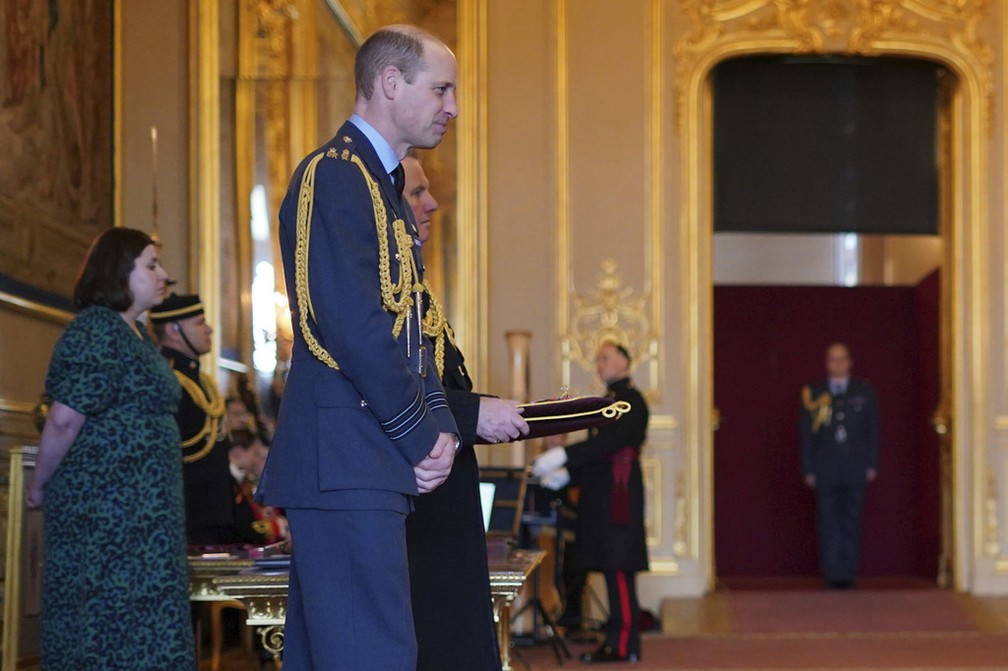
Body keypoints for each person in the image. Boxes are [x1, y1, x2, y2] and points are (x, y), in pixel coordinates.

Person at [256, 25, 462, 670]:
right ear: (391, 83)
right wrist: (420, 435)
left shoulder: (381, 187)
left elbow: (412, 326)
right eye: (442, 89)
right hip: (346, 457)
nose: (452, 107)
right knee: (371, 654)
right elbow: (351, 325)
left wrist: (441, 429)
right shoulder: (337, 176)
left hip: (364, 458)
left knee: (350, 652)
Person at [24, 227, 195, 670]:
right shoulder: (97, 328)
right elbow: (64, 418)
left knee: (145, 627)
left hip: (144, 519)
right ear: (119, 272)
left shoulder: (136, 335)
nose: (164, 274)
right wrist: (38, 485)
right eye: (152, 265)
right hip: (104, 518)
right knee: (103, 625)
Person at [401, 153, 528, 671]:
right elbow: (388, 386)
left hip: (446, 502)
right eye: (416, 193)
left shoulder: (414, 285)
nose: (432, 203)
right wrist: (477, 414)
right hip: (416, 505)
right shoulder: (383, 288)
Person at [532, 341, 650, 664]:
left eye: (606, 358)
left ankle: (625, 644)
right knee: (612, 566)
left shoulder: (632, 401)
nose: (599, 364)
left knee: (620, 567)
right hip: (606, 495)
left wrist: (565, 455)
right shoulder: (610, 401)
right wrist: (566, 476)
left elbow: (609, 444)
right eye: (598, 359)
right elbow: (597, 456)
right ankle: (616, 641)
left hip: (619, 496)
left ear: (624, 363)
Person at [150, 293, 236, 547]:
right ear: (173, 330)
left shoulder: (204, 386)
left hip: (215, 518)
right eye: (199, 323)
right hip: (186, 520)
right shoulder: (168, 383)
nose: (208, 329)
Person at [799, 342, 880, 590]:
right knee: (829, 521)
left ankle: (848, 573)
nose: (838, 363)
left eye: (842, 359)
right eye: (833, 359)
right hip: (826, 467)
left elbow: (872, 430)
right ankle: (832, 574)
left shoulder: (864, 392)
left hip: (855, 466)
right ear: (826, 364)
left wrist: (872, 463)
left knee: (851, 520)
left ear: (849, 362)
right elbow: (805, 435)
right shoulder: (813, 394)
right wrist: (808, 468)